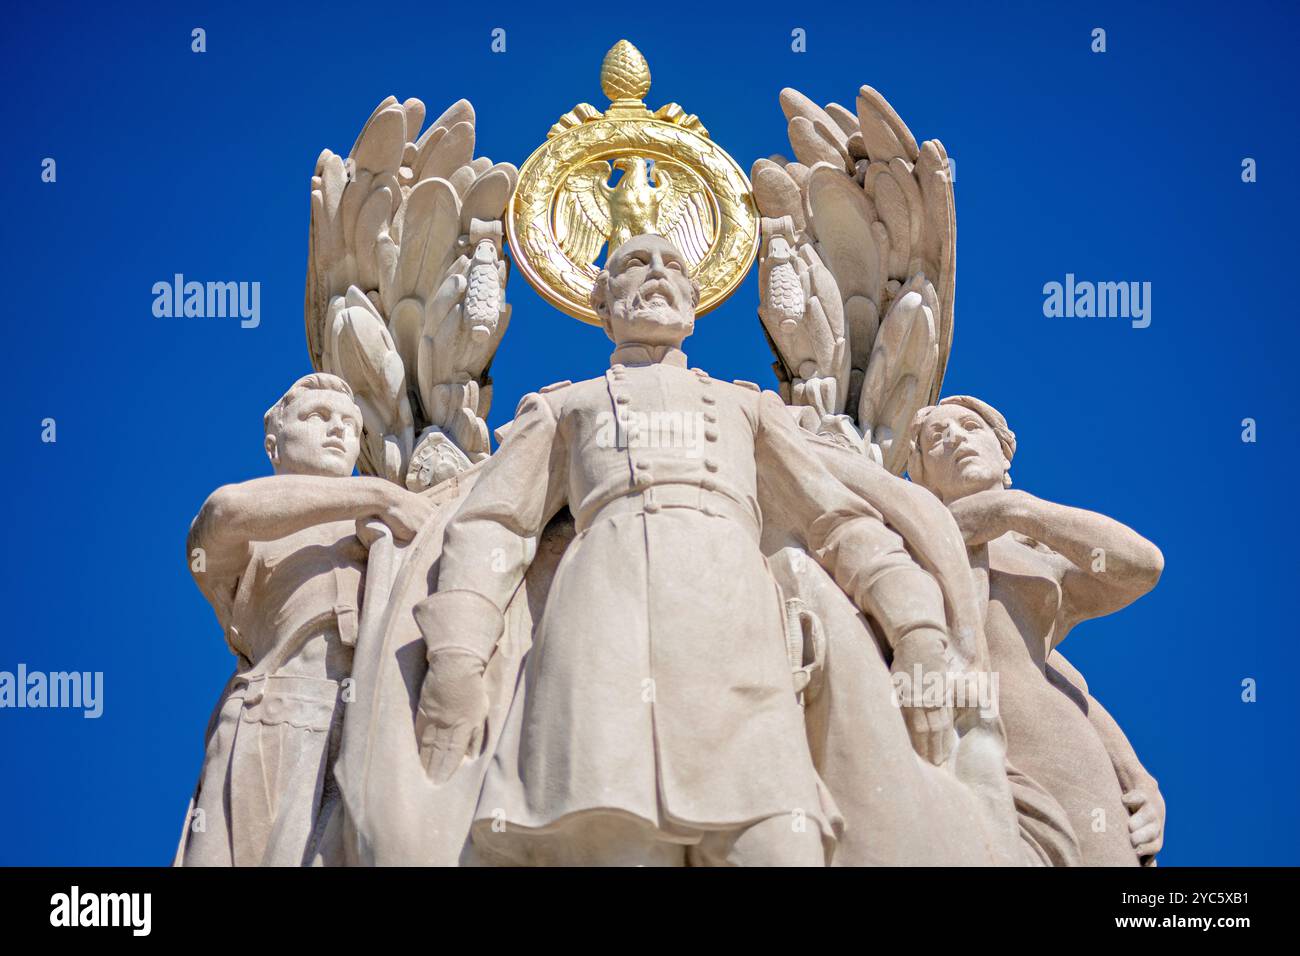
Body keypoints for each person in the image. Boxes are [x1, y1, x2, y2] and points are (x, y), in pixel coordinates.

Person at [413, 235, 961, 866]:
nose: (655, 275)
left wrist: (916, 628)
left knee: (779, 844)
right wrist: (456, 655)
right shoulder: (565, 406)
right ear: (601, 299)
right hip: (600, 639)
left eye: (672, 266)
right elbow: (495, 525)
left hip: (737, 636)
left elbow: (838, 521)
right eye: (633, 265)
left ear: (695, 307)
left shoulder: (747, 407)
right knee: (611, 837)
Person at [177, 373, 431, 866]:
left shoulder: (383, 525)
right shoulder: (259, 523)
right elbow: (223, 514)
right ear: (274, 442)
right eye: (317, 418)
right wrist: (382, 494)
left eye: (351, 425)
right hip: (275, 716)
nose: (338, 431)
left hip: (375, 716)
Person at [907, 395, 1166, 864]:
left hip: (1057, 753)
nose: (956, 438)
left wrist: (1134, 776)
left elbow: (1142, 566)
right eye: (935, 438)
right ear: (919, 470)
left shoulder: (1036, 558)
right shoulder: (906, 532)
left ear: (1004, 453)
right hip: (938, 738)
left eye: (969, 425)